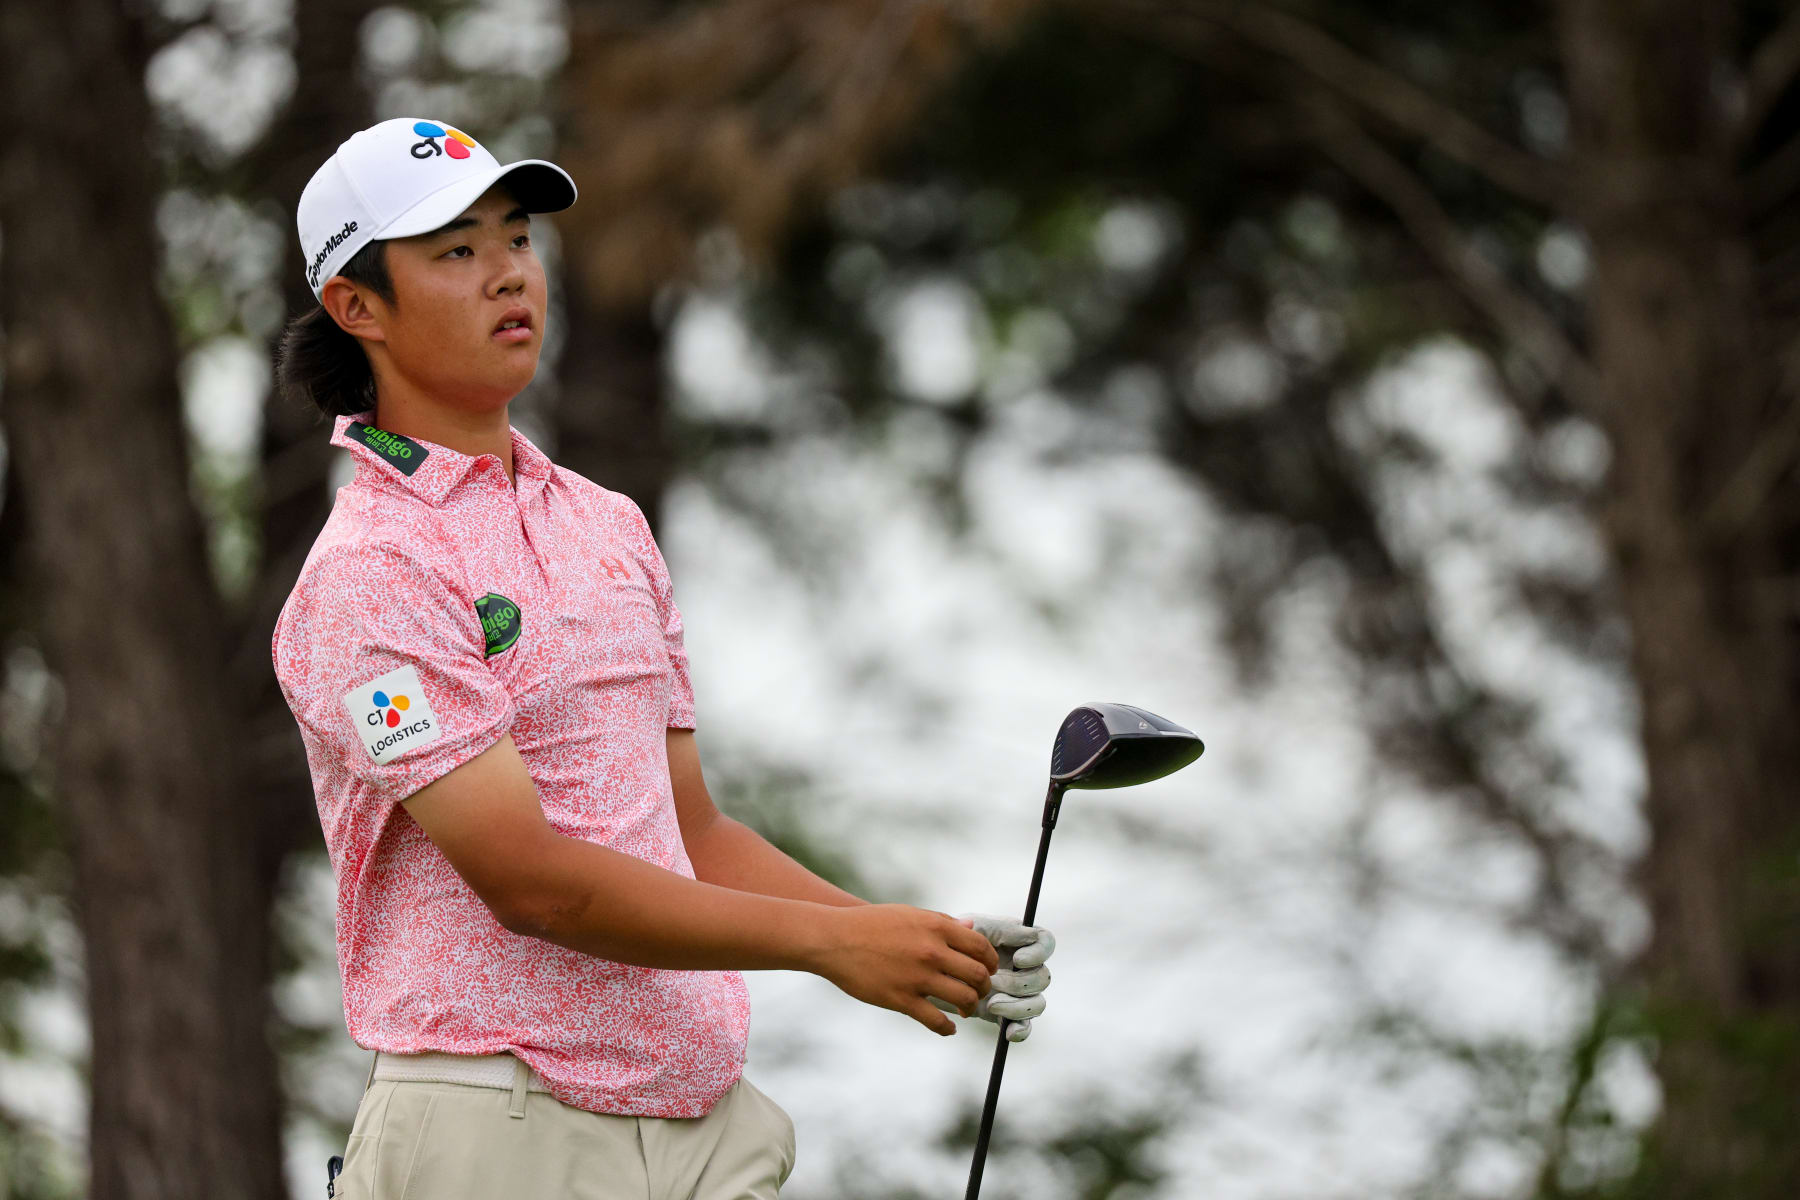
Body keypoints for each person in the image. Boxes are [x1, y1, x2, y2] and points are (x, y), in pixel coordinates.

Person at [269, 117, 1056, 1200]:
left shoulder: (608, 526)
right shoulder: (369, 573)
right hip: (498, 1127)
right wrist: (828, 948)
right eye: (456, 251)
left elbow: (693, 832)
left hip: (698, 1126)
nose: (509, 274)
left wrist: (907, 944)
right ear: (357, 308)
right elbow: (530, 883)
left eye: (518, 239)